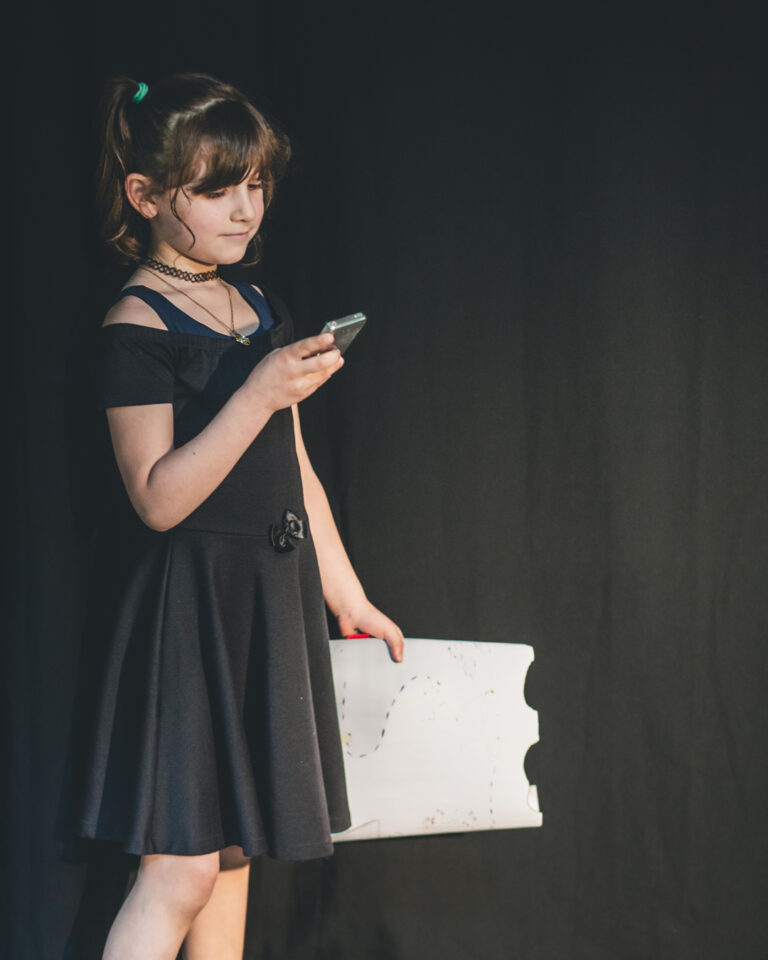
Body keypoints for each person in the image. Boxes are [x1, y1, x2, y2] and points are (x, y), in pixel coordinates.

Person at [54, 73, 404, 960]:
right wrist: (256, 393)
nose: (246, 209)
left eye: (256, 184)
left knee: (233, 855)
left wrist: (348, 595)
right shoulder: (134, 324)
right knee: (180, 870)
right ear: (145, 196)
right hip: (187, 611)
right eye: (216, 190)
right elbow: (156, 498)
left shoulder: (257, 306)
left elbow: (297, 470)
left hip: (262, 603)